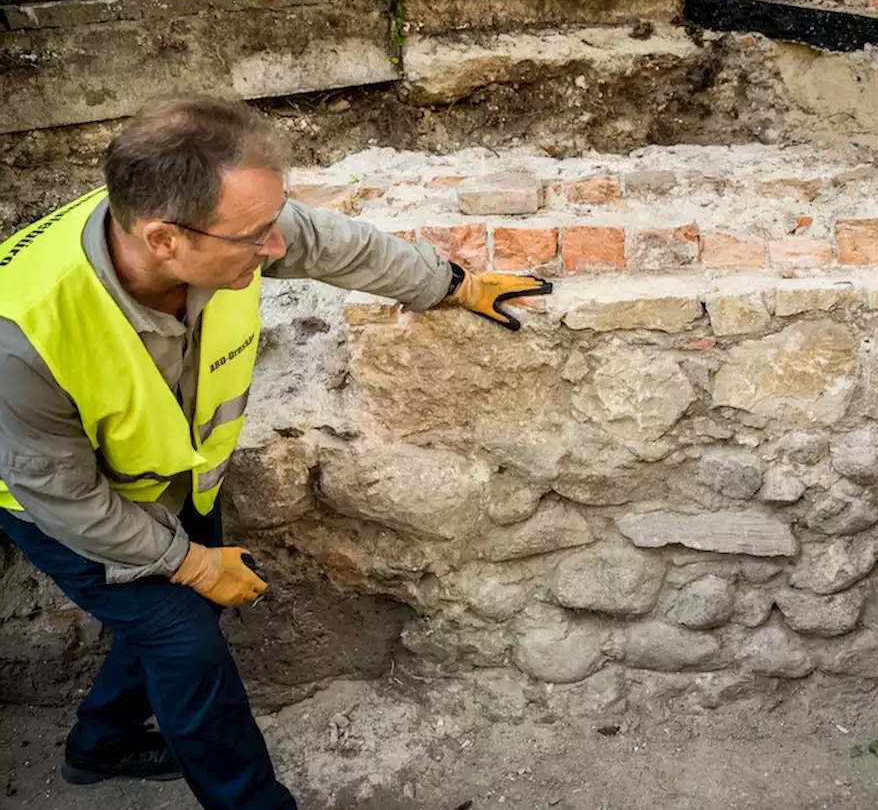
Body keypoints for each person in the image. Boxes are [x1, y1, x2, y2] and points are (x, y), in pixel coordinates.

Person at [0, 95, 551, 810]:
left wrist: (453, 283)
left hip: (174, 476)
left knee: (182, 616)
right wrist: (188, 562)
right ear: (164, 239)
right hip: (56, 503)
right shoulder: (23, 333)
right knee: (184, 640)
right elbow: (62, 494)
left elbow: (330, 243)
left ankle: (100, 745)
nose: (277, 249)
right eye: (256, 236)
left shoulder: (218, 221)